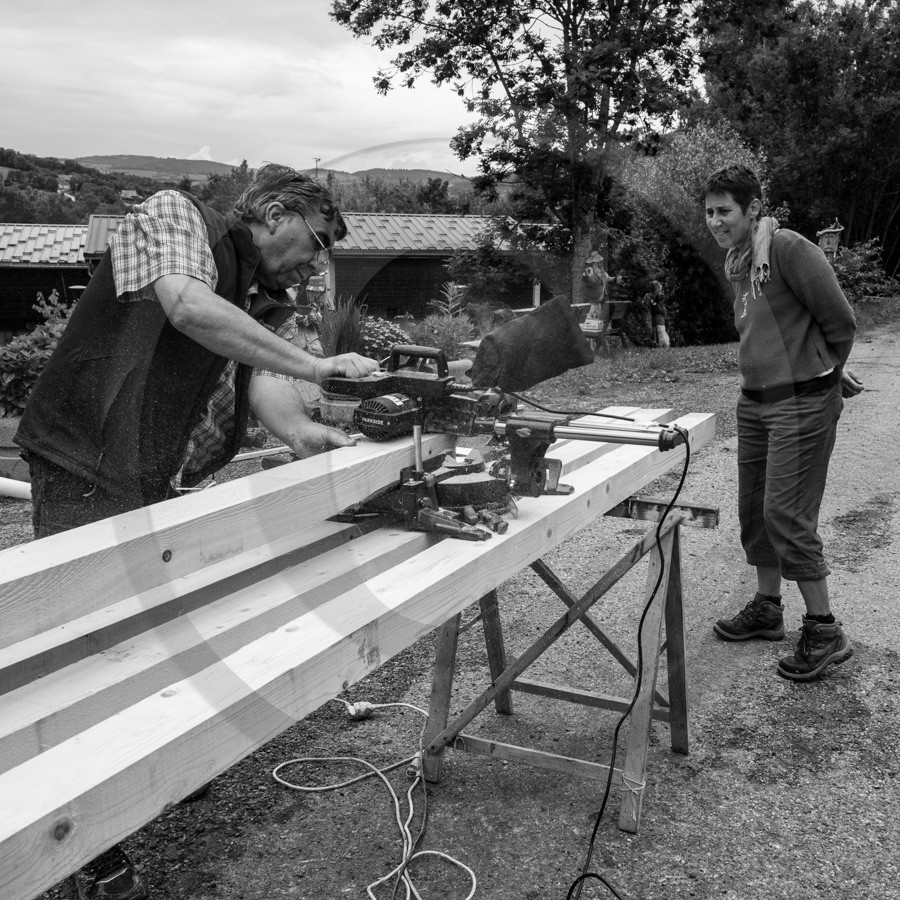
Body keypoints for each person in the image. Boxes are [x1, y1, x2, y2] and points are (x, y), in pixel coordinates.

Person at [14, 164, 379, 900]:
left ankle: (152, 767)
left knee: (153, 626)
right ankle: (83, 839)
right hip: (86, 450)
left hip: (156, 469)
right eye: (314, 241)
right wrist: (318, 362)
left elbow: (254, 374)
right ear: (274, 210)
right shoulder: (177, 217)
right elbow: (187, 307)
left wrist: (303, 432)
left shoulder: (261, 291)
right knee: (83, 649)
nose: (315, 261)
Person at [704, 163, 864, 682]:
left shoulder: (789, 249)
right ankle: (768, 609)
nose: (714, 221)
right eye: (708, 212)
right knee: (754, 511)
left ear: (753, 209)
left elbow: (840, 321)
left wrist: (825, 371)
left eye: (724, 211)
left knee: (786, 515)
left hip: (801, 403)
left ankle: (824, 628)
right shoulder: (740, 259)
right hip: (754, 403)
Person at [644, 280, 671, 348]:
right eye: (658, 289)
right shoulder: (649, 298)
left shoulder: (658, 297)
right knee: (655, 332)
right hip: (652, 319)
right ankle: (659, 344)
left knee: (660, 331)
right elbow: (646, 308)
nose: (660, 291)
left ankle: (662, 344)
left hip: (658, 319)